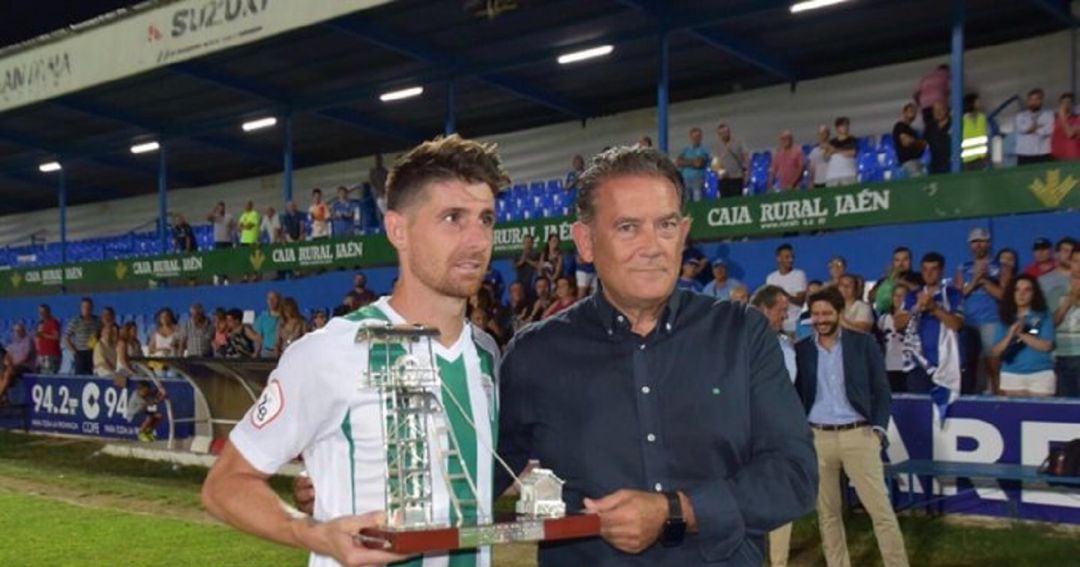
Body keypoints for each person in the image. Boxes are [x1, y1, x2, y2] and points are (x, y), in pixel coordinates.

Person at [498, 146, 816, 566]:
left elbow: (794, 476)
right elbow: (477, 480)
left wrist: (678, 510)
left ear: (683, 234)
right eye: (628, 227)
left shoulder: (740, 333)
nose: (652, 247)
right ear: (586, 242)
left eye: (665, 225)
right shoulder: (535, 353)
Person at [202, 134, 507, 567]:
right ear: (398, 229)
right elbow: (225, 484)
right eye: (453, 218)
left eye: (486, 219)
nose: (477, 240)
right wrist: (313, 533)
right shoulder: (331, 352)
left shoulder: (484, 352)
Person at [794, 287, 909, 567]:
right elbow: (796, 395)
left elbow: (882, 391)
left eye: (826, 313)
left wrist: (878, 430)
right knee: (828, 514)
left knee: (881, 511)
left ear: (839, 313)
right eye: (816, 314)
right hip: (818, 437)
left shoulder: (863, 343)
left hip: (859, 435)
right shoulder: (802, 351)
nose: (821, 319)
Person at [896, 252, 965, 393]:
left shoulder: (953, 294)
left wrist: (934, 308)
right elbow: (898, 323)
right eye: (925, 269)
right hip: (919, 365)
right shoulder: (912, 296)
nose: (929, 273)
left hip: (946, 364)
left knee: (946, 410)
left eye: (934, 269)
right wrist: (916, 308)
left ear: (941, 271)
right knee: (920, 410)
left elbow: (956, 324)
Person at [956, 227, 1006, 394]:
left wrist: (984, 281)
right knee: (969, 366)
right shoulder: (963, 268)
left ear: (989, 243)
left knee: (993, 364)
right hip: (968, 322)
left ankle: (998, 397)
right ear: (969, 245)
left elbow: (1004, 296)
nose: (978, 245)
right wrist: (975, 280)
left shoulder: (1000, 267)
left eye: (982, 241)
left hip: (991, 321)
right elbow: (957, 296)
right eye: (974, 242)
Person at [991, 275, 1056, 397]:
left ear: (1034, 293)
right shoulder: (1005, 317)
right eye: (1017, 290)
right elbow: (996, 351)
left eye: (1027, 290)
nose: (1021, 294)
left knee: (1040, 415)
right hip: (1012, 375)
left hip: (1040, 374)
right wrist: (1010, 335)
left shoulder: (1043, 315)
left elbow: (1046, 346)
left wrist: (1021, 334)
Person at [1052, 248, 1080, 397]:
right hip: (1062, 357)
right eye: (1076, 261)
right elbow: (1049, 325)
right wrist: (1067, 302)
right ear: (1070, 263)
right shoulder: (1056, 291)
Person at [766, 243, 808, 334]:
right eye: (787, 257)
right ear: (778, 258)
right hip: (777, 325)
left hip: (795, 323)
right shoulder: (770, 278)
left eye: (792, 257)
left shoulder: (799, 274)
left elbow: (800, 301)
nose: (791, 260)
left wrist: (783, 293)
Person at [879, 283, 912, 394]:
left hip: (906, 365)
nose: (898, 298)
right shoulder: (883, 318)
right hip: (888, 365)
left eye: (902, 295)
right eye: (896, 295)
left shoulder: (912, 317)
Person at [870, 246, 924, 315]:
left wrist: (900, 281)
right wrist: (886, 281)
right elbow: (871, 298)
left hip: (911, 316)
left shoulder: (918, 276)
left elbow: (921, 291)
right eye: (897, 260)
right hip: (887, 318)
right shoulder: (884, 280)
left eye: (905, 259)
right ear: (892, 262)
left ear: (911, 261)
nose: (901, 264)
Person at [1015, 88, 1055, 164]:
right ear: (1028, 101)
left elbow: (1049, 130)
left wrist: (1033, 129)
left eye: (1037, 99)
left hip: (1042, 153)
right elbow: (1022, 129)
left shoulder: (1048, 115)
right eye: (1031, 99)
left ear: (1041, 100)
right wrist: (1037, 127)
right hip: (1024, 153)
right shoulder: (1020, 116)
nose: (1034, 102)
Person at [64, 297, 100, 375]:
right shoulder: (75, 321)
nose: (87, 309)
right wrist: (75, 352)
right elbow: (66, 338)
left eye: (89, 307)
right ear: (81, 308)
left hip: (94, 352)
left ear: (92, 308)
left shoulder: (97, 321)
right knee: (81, 375)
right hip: (80, 353)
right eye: (84, 307)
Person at [0, 324, 34, 405]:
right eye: (15, 331)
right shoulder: (13, 342)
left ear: (23, 331)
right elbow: (7, 355)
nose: (17, 332)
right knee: (1, 373)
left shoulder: (28, 340)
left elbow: (27, 357)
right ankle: (4, 398)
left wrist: (13, 364)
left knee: (8, 372)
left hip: (25, 366)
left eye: (19, 330)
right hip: (13, 367)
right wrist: (7, 361)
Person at [712, 123, 748, 198]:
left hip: (737, 177)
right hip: (723, 179)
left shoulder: (738, 142)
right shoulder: (716, 146)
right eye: (721, 133)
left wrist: (746, 173)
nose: (724, 135)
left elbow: (745, 157)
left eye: (725, 132)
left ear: (729, 132)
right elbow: (715, 164)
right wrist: (721, 172)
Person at [675, 127, 710, 201]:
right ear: (690, 137)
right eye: (694, 137)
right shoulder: (686, 150)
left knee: (697, 202)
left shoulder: (704, 149)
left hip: (697, 180)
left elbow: (698, 164)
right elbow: (678, 162)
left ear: (701, 137)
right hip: (685, 180)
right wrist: (693, 161)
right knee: (686, 203)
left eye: (697, 136)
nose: (695, 139)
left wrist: (685, 162)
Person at [893, 103, 927, 178]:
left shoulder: (913, 131)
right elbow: (906, 142)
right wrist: (919, 143)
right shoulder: (900, 126)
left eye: (915, 112)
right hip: (908, 162)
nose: (913, 114)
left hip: (916, 160)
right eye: (911, 111)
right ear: (904, 112)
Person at [824, 117, 857, 187]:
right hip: (832, 176)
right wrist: (829, 151)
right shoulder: (831, 142)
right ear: (837, 128)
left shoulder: (851, 140)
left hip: (848, 174)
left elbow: (852, 153)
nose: (845, 127)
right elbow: (826, 157)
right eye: (842, 125)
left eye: (846, 125)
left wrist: (835, 150)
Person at [961, 93, 989, 170]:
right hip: (968, 157)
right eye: (977, 101)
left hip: (981, 156)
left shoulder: (982, 117)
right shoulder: (963, 119)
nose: (979, 103)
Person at [34, 304, 62, 374]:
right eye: (40, 312)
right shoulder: (40, 324)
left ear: (48, 312)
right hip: (42, 354)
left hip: (51, 355)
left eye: (43, 312)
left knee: (50, 374)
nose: (41, 314)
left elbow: (57, 337)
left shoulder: (53, 322)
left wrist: (43, 335)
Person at [1052, 92, 1080, 161]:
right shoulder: (1054, 119)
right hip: (1056, 156)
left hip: (1073, 156)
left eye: (1068, 102)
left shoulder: (1077, 119)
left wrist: (1062, 115)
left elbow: (1069, 133)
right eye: (1063, 103)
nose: (1066, 105)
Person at [253, 291, 282, 357]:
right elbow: (259, 336)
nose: (271, 301)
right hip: (267, 352)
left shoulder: (285, 316)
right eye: (269, 298)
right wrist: (256, 352)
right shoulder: (262, 317)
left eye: (274, 298)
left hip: (283, 352)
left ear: (279, 300)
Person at [926, 100, 951, 174]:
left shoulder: (954, 124)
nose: (938, 112)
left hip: (950, 164)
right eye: (935, 110)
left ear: (946, 110)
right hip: (934, 165)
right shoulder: (930, 127)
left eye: (941, 109)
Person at [115, 322, 142, 386]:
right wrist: (131, 372)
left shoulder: (137, 343)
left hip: (136, 367)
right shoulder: (122, 343)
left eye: (136, 330)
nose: (136, 332)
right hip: (123, 369)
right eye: (134, 330)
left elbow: (141, 356)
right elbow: (122, 360)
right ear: (128, 331)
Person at [806, 124, 831, 189]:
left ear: (828, 134)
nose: (822, 135)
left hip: (831, 181)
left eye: (824, 133)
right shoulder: (814, 151)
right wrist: (810, 182)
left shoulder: (833, 147)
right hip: (817, 183)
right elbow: (811, 168)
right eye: (820, 133)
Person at [369, 153, 389, 218]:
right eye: (377, 160)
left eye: (380, 160)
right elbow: (372, 182)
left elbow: (388, 180)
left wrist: (385, 190)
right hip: (376, 191)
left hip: (385, 190)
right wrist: (379, 191)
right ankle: (380, 220)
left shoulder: (385, 170)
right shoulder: (373, 171)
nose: (378, 161)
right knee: (379, 204)